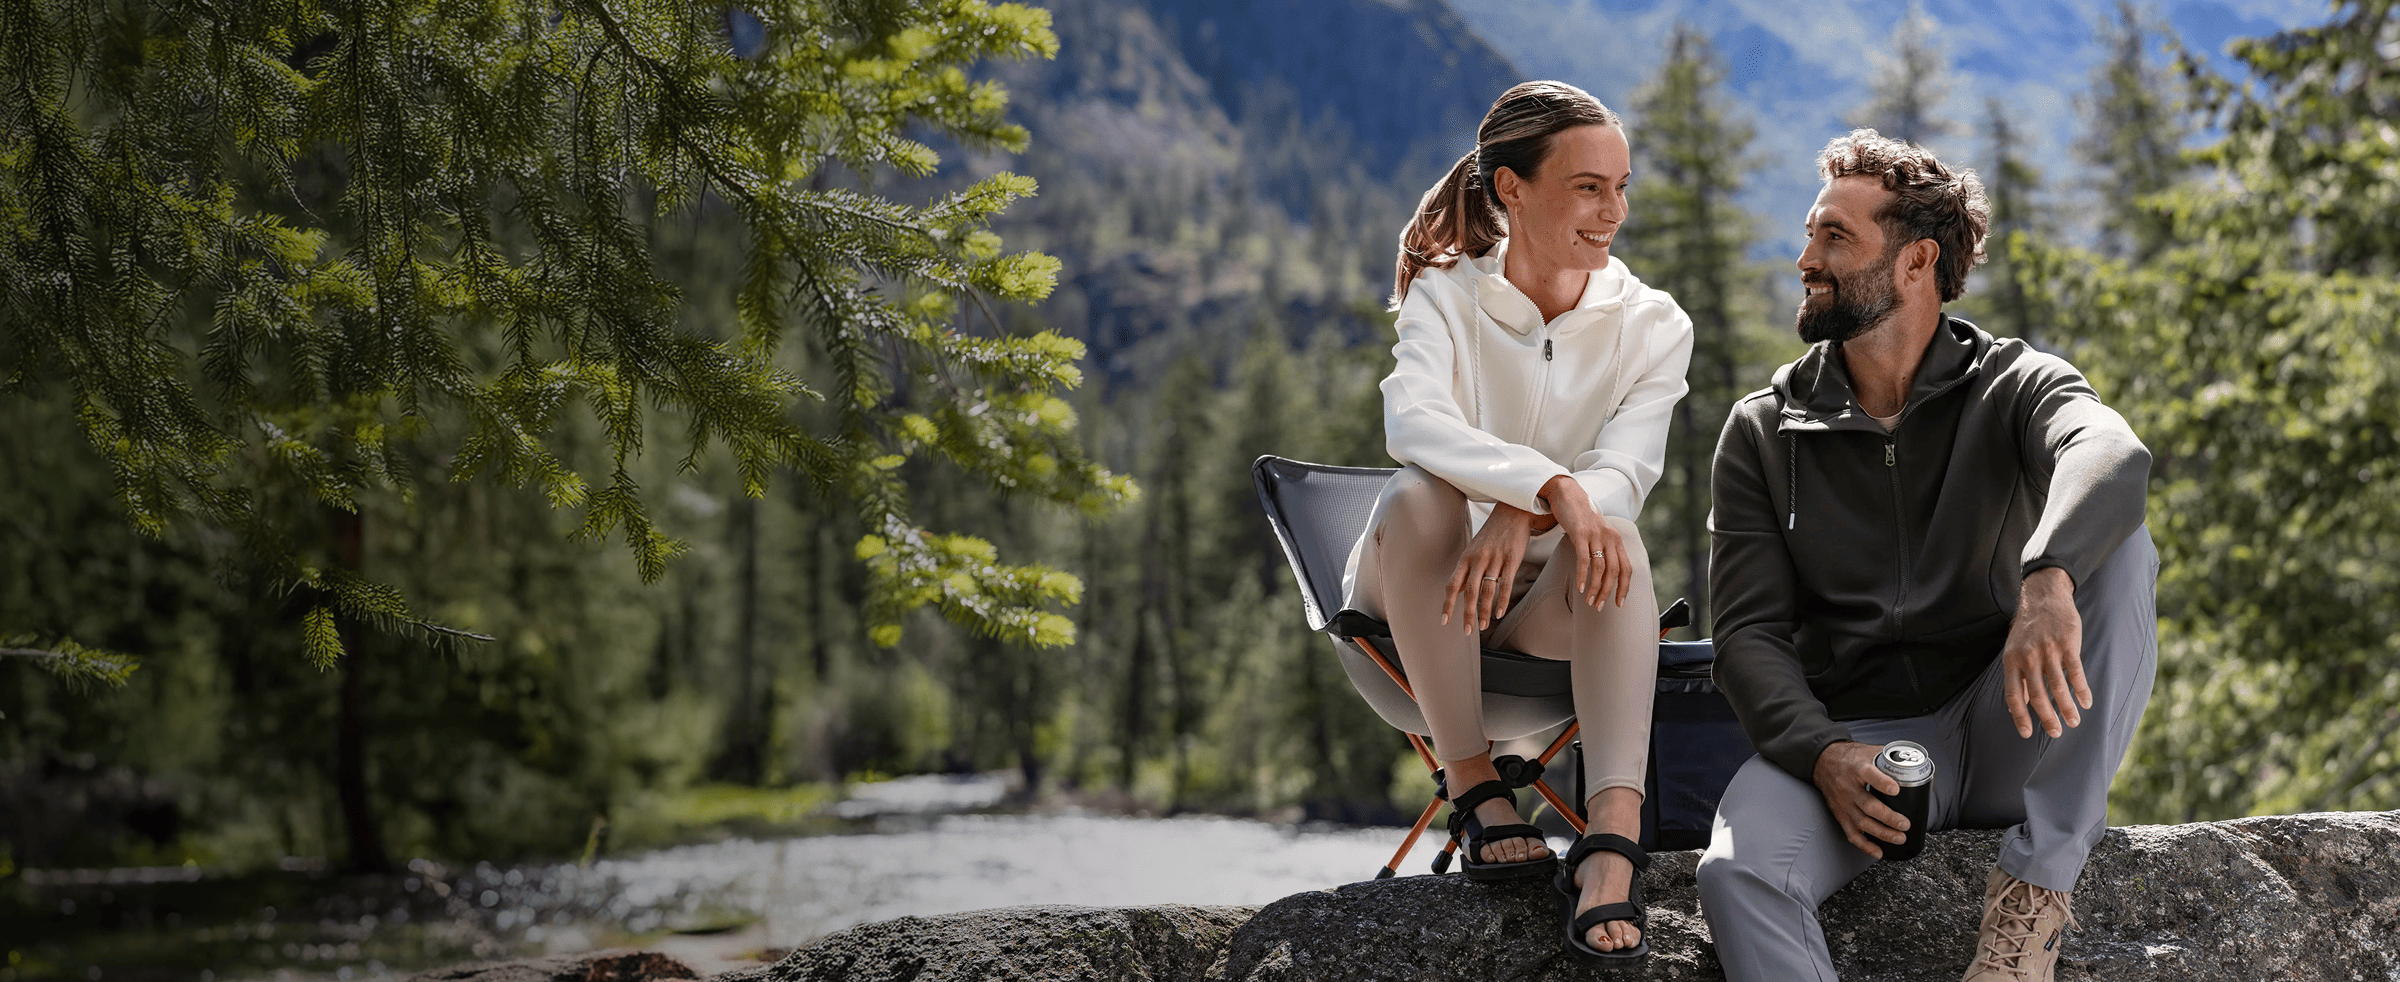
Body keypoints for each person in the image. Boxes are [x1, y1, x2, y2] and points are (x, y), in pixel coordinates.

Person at [1696, 129, 2157, 982]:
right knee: (1737, 872)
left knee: (2119, 543)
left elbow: (2112, 454)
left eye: (1836, 236)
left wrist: (2047, 576)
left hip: (2013, 721)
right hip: (1860, 751)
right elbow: (1748, 636)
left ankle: (2032, 904)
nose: (1806, 258)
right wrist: (1822, 753)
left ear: (1916, 262)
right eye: (1810, 232)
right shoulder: (1764, 428)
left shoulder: (2012, 383)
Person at [1343, 80, 1693, 966]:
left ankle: (1612, 837)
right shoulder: (1444, 294)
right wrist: (1547, 485)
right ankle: (1472, 779)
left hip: (1542, 645)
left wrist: (1525, 506)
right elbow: (1414, 422)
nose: (1613, 212)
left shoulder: (1653, 325)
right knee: (1420, 495)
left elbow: (1627, 473)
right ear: (1512, 188)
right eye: (1588, 187)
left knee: (1615, 534)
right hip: (1410, 639)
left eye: (1621, 186)